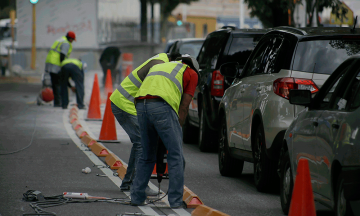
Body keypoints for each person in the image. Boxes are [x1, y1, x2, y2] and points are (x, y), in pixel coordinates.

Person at [130, 54, 199, 208]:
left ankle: (136, 197)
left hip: (141, 105)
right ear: (194, 66)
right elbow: (184, 106)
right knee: (176, 156)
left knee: (147, 155)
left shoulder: (161, 66)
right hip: (161, 106)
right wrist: (176, 128)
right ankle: (175, 201)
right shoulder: (192, 73)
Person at [110, 52, 181, 196]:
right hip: (125, 104)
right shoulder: (159, 65)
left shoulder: (159, 60)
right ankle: (138, 185)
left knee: (139, 143)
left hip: (124, 102)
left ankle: (129, 183)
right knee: (143, 144)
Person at [44, 31, 76, 107]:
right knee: (59, 83)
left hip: (50, 63)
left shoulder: (60, 39)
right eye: (73, 40)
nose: (72, 42)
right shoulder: (66, 43)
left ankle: (57, 102)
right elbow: (62, 55)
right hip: (56, 64)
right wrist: (63, 66)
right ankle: (59, 102)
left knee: (55, 84)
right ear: (71, 39)